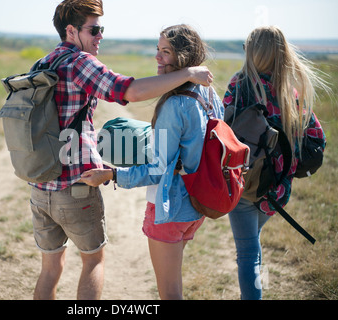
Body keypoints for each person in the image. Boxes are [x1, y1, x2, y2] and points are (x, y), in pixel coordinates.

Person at [30, 0, 213, 300]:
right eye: (95, 29)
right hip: (77, 186)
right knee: (93, 261)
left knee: (50, 269)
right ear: (71, 31)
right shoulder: (80, 63)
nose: (101, 35)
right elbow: (129, 91)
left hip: (39, 187)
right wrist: (188, 74)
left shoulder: (43, 63)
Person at [80, 24, 224, 300]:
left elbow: (158, 171)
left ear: (183, 59)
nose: (157, 57)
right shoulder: (209, 94)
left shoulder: (174, 105)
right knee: (174, 285)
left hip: (169, 209)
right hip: (196, 207)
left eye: (165, 52)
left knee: (169, 294)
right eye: (157, 50)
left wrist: (111, 175)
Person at [222, 26, 329, 300]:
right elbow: (318, 137)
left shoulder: (239, 84)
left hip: (245, 183)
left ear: (252, 53)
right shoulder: (289, 91)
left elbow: (221, 131)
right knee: (253, 247)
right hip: (278, 189)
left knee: (247, 253)